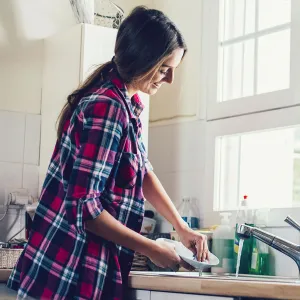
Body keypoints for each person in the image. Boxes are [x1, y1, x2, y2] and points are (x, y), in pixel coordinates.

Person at [7, 6, 209, 300]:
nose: (169, 81)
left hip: (82, 272)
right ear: (144, 59)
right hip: (67, 275)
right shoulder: (108, 107)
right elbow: (86, 211)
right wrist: (152, 248)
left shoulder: (127, 107)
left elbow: (141, 172)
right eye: (165, 69)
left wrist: (181, 227)